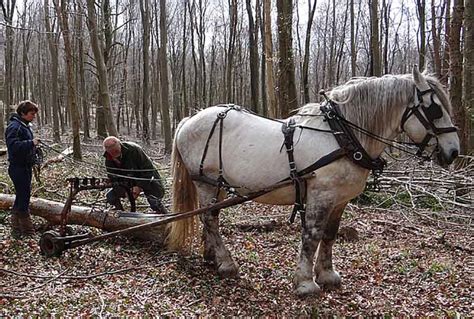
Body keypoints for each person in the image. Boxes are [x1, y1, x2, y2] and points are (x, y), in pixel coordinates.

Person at [103, 136, 168, 214]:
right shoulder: (108, 158)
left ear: (120, 145)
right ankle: (121, 215)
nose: (114, 154)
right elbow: (113, 178)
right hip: (127, 182)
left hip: (146, 178)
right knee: (111, 196)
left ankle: (164, 217)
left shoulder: (134, 150)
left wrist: (139, 186)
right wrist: (125, 191)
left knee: (154, 201)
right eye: (111, 152)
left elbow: (148, 170)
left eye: (116, 151)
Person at [5, 100, 40, 238]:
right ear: (23, 113)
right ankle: (27, 230)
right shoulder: (15, 127)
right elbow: (13, 147)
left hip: (25, 166)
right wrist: (31, 143)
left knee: (21, 197)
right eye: (32, 113)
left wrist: (33, 148)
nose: (34, 116)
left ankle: (16, 229)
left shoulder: (23, 126)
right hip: (18, 168)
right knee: (23, 198)